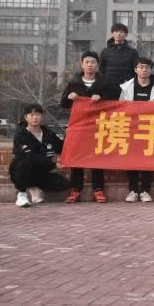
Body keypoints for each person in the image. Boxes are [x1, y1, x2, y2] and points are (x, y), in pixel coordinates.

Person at [61, 51, 120, 204]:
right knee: (77, 158)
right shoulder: (74, 83)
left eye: (93, 62)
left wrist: (102, 97)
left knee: (97, 158)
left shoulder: (104, 83)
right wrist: (69, 97)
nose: (89, 65)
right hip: (79, 126)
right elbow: (63, 104)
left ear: (97, 65)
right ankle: (75, 190)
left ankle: (98, 190)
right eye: (86, 62)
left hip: (97, 126)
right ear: (81, 64)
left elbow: (116, 100)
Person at [119, 57, 154, 203]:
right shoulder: (127, 87)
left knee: (148, 159)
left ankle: (146, 190)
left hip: (151, 128)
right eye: (141, 67)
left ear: (151, 70)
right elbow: (121, 107)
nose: (144, 70)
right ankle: (133, 190)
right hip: (131, 128)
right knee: (131, 159)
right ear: (135, 70)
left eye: (147, 67)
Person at [9, 104, 70, 207]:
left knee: (63, 184)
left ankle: (34, 187)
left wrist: (69, 134)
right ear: (26, 117)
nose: (35, 118)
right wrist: (53, 165)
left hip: (42, 171)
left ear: (42, 116)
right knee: (25, 162)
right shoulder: (20, 135)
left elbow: (63, 148)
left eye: (37, 114)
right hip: (21, 170)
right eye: (31, 115)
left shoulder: (49, 134)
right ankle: (21, 194)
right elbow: (30, 157)